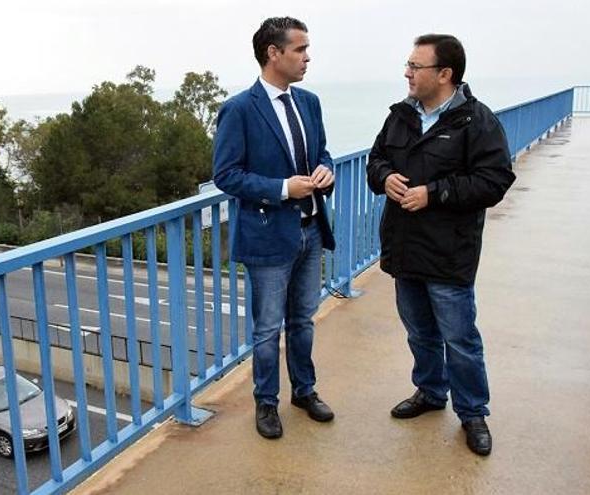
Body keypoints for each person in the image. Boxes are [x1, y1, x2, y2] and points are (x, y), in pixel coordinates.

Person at [366, 34, 516, 456]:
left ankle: (472, 413)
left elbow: (495, 180)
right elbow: (375, 161)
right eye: (408, 65)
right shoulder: (400, 116)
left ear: (445, 74)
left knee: (460, 338)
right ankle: (431, 392)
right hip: (405, 247)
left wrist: (435, 193)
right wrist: (384, 178)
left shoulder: (476, 121)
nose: (407, 73)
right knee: (420, 332)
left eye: (416, 66)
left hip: (449, 253)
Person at [212, 16, 336, 439]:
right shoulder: (240, 109)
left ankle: (304, 390)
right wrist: (283, 188)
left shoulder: (310, 102)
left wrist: (326, 172)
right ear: (273, 53)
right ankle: (266, 403)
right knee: (267, 329)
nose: (307, 57)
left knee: (303, 320)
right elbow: (226, 175)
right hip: (268, 236)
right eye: (300, 49)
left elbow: (323, 154)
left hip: (311, 229)